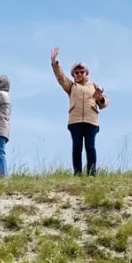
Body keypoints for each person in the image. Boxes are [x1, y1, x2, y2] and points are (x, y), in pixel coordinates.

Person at [50, 47, 108, 176]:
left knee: (90, 147)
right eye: (76, 72)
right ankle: (77, 174)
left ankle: (92, 174)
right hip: (75, 121)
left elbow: (104, 103)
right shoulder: (71, 86)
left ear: (86, 73)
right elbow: (61, 77)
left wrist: (101, 99)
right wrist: (54, 63)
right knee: (77, 147)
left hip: (91, 121)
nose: (79, 74)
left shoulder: (94, 86)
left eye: (82, 72)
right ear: (73, 75)